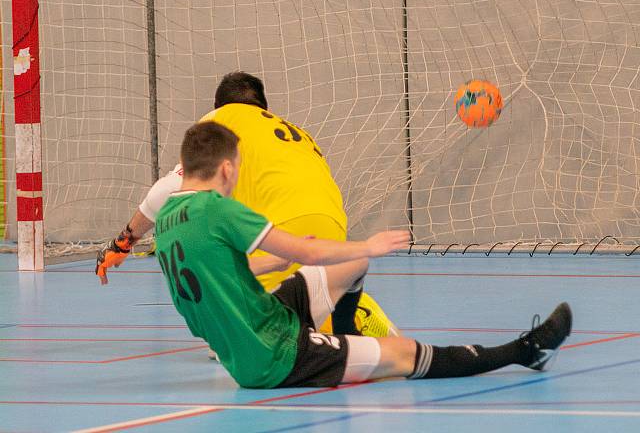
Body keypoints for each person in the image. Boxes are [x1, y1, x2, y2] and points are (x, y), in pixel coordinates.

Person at [153, 121, 572, 388]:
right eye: (239, 168)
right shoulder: (218, 209)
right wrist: (369, 244)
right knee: (403, 353)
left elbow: (217, 274)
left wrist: (272, 265)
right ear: (226, 169)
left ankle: (346, 327)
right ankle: (527, 352)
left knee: (352, 266)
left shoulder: (169, 221)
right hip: (273, 355)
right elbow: (306, 250)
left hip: (259, 323)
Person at [96, 72, 396, 337]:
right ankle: (338, 299)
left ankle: (351, 316)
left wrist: (123, 243)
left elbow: (166, 191)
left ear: (219, 108)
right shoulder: (291, 132)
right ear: (264, 109)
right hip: (332, 228)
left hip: (288, 231)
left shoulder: (221, 122)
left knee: (235, 337)